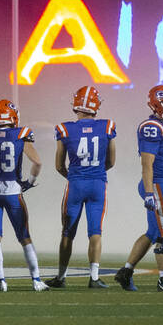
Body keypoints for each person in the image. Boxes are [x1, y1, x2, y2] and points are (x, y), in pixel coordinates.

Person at [114, 85, 163, 292]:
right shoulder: (152, 126)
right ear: (157, 105)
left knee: (153, 231)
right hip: (157, 184)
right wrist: (150, 193)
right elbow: (147, 164)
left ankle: (126, 272)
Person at [50, 86, 117, 289]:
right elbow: (111, 161)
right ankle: (94, 278)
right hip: (98, 184)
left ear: (76, 105)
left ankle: (61, 277)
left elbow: (59, 165)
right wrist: (94, 172)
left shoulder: (65, 128)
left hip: (76, 185)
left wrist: (74, 175)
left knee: (67, 232)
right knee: (95, 231)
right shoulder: (107, 126)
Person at [0, 99, 46, 291]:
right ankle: (36, 280)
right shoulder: (20, 133)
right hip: (13, 190)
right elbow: (38, 162)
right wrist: (30, 182)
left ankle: (1, 282)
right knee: (24, 235)